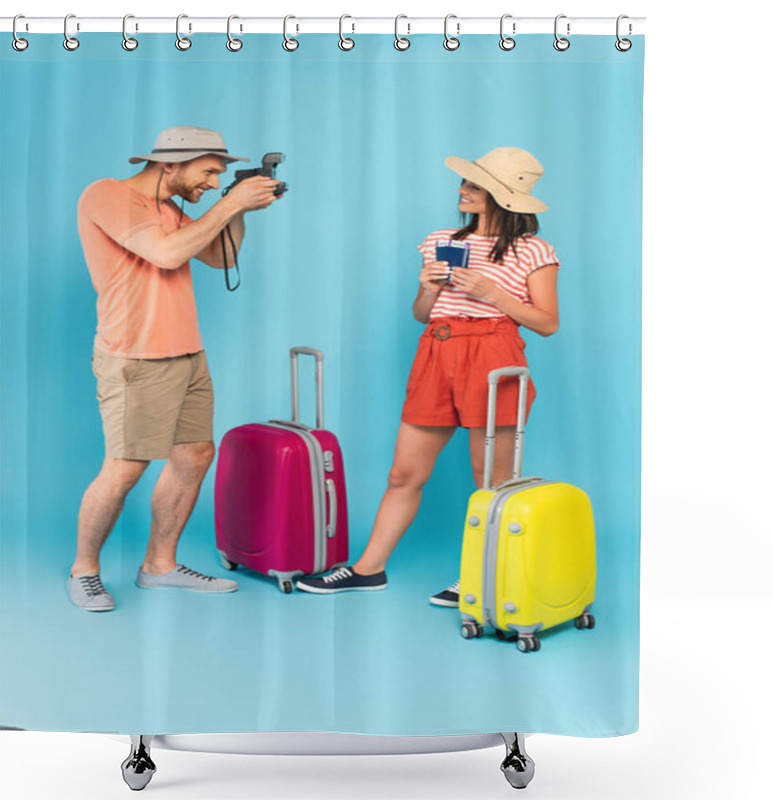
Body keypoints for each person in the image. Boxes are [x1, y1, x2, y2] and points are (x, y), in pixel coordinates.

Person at [296, 147, 560, 605]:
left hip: (493, 352)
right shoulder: (441, 237)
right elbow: (422, 315)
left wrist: (491, 292)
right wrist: (427, 289)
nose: (462, 190)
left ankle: (480, 576)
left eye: (474, 185)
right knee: (403, 472)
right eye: (466, 183)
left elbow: (547, 323)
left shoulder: (534, 250)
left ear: (501, 196)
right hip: (436, 349)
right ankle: (367, 569)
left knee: (490, 482)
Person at [68, 126, 283, 611]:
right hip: (135, 357)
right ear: (170, 163)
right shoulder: (108, 195)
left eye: (219, 177)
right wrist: (226, 206)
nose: (211, 182)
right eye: (208, 171)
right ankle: (84, 570)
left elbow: (220, 255)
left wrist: (238, 207)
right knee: (125, 469)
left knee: (194, 456)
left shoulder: (171, 209)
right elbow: (165, 254)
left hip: (186, 352)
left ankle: (159, 566)